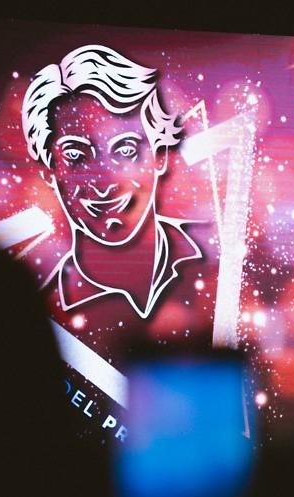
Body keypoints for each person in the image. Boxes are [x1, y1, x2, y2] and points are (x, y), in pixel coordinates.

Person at [22, 44, 200, 319]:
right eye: (76, 156)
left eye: (126, 150)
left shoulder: (221, 267)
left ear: (161, 156)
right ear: (49, 172)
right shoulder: (44, 313)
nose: (106, 180)